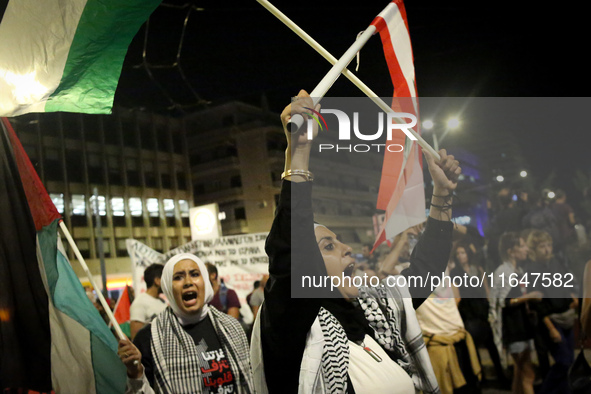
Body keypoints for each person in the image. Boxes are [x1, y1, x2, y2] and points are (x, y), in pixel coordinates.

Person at [250, 91, 461, 393]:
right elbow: (291, 254)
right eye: (328, 246)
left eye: (338, 242)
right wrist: (298, 153)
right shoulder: (292, 329)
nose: (346, 247)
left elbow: (425, 270)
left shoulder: (374, 312)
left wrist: (442, 194)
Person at [117, 253, 255, 393]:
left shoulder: (232, 327)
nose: (188, 282)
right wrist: (136, 373)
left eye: (195, 274)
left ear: (205, 282)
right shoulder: (149, 338)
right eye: (178, 277)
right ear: (168, 288)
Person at [524, 229, 577, 394]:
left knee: (570, 361)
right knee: (564, 361)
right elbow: (537, 306)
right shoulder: (531, 270)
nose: (547, 249)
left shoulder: (556, 263)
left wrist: (572, 298)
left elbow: (565, 284)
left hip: (566, 316)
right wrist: (551, 328)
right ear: (534, 249)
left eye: (548, 245)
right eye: (542, 246)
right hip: (551, 320)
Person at [490, 232, 543, 394]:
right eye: (521, 245)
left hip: (522, 326)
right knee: (528, 374)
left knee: (519, 373)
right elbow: (504, 302)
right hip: (514, 329)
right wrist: (530, 297)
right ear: (510, 251)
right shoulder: (504, 272)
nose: (526, 248)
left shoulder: (517, 269)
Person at [449, 243, 508, 387]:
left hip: (481, 309)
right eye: (458, 253)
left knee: (491, 345)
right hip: (468, 311)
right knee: (473, 347)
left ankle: (501, 377)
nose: (460, 256)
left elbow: (486, 290)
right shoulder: (455, 272)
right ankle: (481, 379)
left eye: (463, 252)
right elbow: (457, 294)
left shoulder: (478, 269)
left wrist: (490, 309)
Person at [129, 264, 167, 340]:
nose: (167, 283)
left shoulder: (162, 301)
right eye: (165, 279)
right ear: (157, 281)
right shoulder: (139, 303)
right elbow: (136, 338)